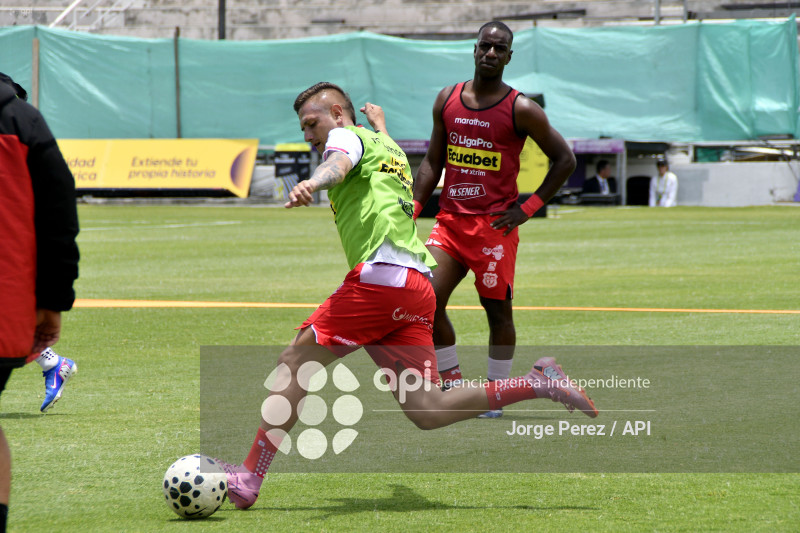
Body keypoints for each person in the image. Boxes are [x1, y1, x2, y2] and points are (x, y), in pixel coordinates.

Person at [218, 82, 596, 510]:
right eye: (303, 128)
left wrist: (312, 182)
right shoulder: (386, 146)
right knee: (429, 410)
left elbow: (338, 164)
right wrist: (379, 125)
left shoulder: (344, 138)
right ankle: (537, 384)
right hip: (415, 288)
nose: (308, 135)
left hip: (380, 283)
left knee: (294, 364)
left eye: (312, 123)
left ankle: (249, 476)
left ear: (338, 113)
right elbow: (372, 152)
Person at [411, 21, 577, 418]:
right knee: (425, 301)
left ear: (508, 56)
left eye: (499, 49)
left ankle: (496, 395)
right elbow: (434, 162)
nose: (490, 53)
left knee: (498, 314)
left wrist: (527, 208)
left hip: (494, 229)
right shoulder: (447, 99)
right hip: (450, 224)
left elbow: (565, 160)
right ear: (474, 49)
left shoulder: (521, 108)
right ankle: (454, 386)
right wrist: (413, 210)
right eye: (485, 46)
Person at [0, 71, 80, 533]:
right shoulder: (24, 121)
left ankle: (51, 361)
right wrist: (54, 300)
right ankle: (52, 361)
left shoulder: (21, 122)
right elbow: (60, 211)